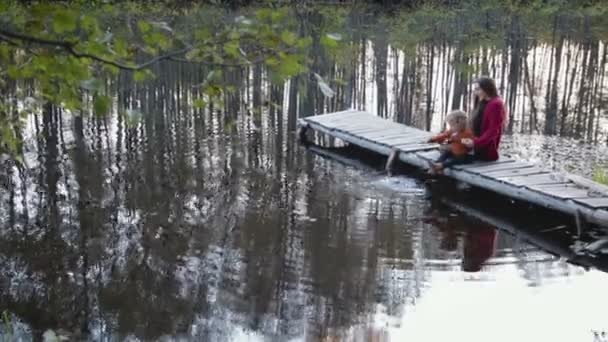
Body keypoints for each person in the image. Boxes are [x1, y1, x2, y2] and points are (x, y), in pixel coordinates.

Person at [461, 77, 507, 161]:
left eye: (478, 89)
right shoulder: (482, 101)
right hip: (473, 145)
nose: (476, 92)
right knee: (449, 148)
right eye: (475, 89)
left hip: (485, 151)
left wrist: (475, 143)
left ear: (487, 89)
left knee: (453, 154)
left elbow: (493, 130)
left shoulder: (496, 104)